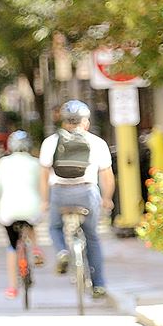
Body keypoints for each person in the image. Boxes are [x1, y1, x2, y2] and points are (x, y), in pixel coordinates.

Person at [38, 99, 115, 299]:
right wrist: (107, 199)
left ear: (63, 121)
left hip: (60, 193)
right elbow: (107, 176)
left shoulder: (51, 142)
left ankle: (62, 251)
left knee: (54, 227)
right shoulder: (97, 143)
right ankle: (99, 285)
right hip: (87, 192)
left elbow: (44, 176)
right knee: (92, 237)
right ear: (85, 122)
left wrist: (45, 201)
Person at [0, 130, 44, 299]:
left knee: (12, 247)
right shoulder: (35, 163)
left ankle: (12, 287)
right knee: (31, 225)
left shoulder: (4, 163)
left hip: (8, 210)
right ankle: (36, 249)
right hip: (32, 208)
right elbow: (42, 186)